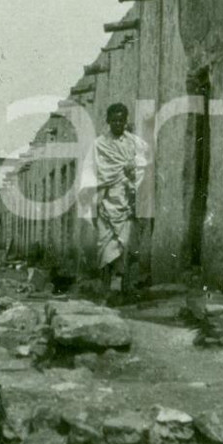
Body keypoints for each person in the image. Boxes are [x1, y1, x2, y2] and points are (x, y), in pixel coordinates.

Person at [94, 102, 148, 303]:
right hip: (105, 202)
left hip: (126, 203)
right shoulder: (99, 144)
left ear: (126, 122)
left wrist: (133, 169)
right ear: (108, 121)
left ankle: (123, 291)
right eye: (114, 120)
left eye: (121, 120)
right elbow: (96, 171)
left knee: (124, 247)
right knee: (105, 248)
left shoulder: (134, 143)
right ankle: (105, 290)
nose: (117, 124)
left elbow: (144, 163)